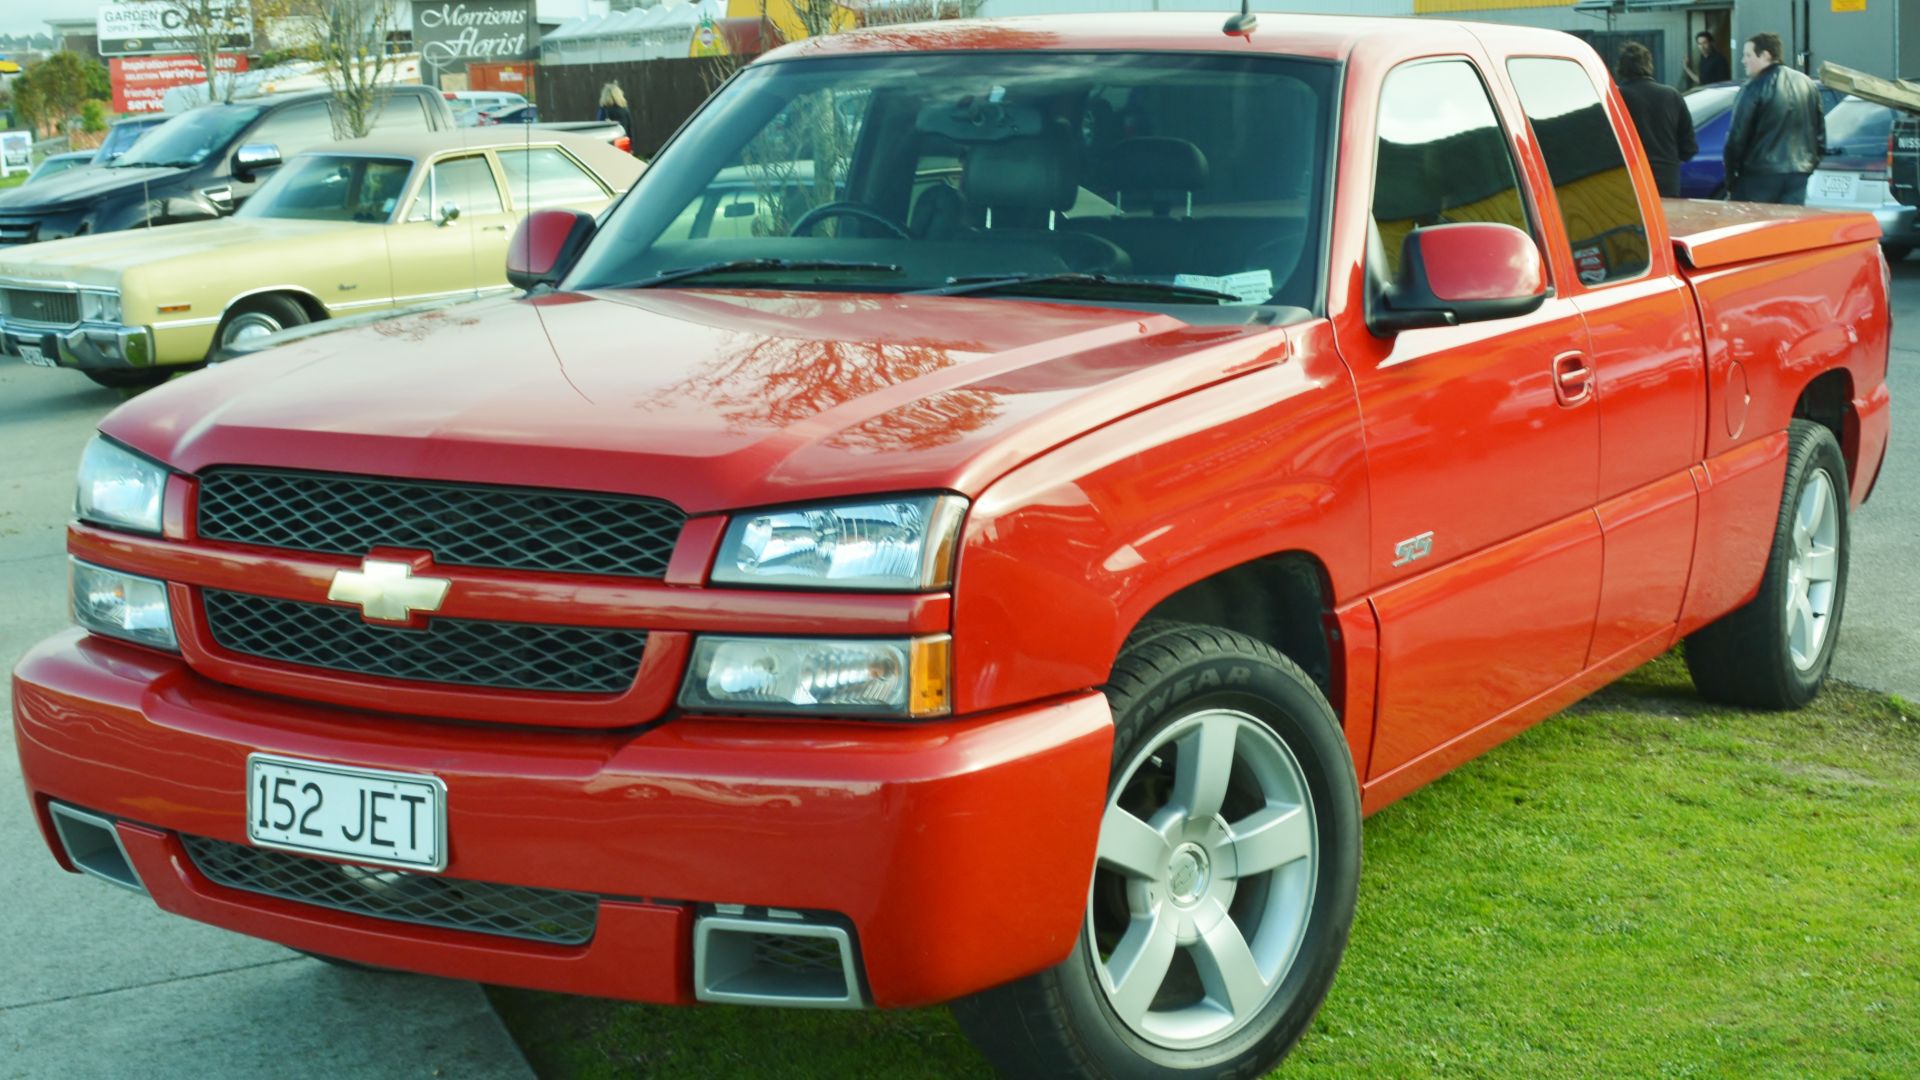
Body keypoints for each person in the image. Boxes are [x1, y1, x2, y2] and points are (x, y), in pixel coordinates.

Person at [1722, 32, 1825, 204]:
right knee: (1789, 227)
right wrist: (1810, 164)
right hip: (1799, 173)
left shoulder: (1753, 87)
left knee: (1757, 227)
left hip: (1759, 175)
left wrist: (1731, 177)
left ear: (1765, 55)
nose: (1743, 60)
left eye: (1748, 55)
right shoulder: (1807, 84)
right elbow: (1820, 134)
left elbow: (1737, 137)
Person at [1616, 42, 1697, 198]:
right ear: (1649, 65)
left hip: (1629, 180)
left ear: (1620, 68)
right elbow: (1689, 148)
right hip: (1667, 180)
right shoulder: (1672, 96)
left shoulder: (1615, 98)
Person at [596, 82, 637, 156]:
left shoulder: (604, 111)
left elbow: (599, 130)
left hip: (609, 147)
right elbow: (630, 129)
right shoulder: (624, 109)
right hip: (624, 144)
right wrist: (632, 148)